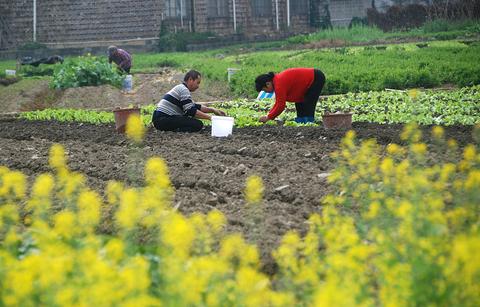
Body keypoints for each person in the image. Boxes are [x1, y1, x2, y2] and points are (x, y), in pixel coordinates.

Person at [152, 70, 226, 132]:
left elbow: (194, 106)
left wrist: (213, 110)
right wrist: (210, 117)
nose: (198, 86)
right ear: (190, 80)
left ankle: (174, 129)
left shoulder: (181, 88)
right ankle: (175, 131)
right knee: (197, 125)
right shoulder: (184, 90)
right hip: (162, 120)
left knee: (193, 122)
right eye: (198, 82)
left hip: (160, 119)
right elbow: (190, 111)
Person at [255, 68, 326, 124]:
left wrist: (268, 117)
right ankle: (302, 122)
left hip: (316, 77)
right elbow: (278, 103)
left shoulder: (279, 84)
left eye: (264, 90)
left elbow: (280, 106)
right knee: (299, 103)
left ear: (268, 84)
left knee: (308, 103)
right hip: (310, 80)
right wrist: (268, 115)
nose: (266, 92)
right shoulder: (277, 81)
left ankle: (309, 122)